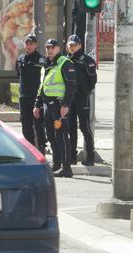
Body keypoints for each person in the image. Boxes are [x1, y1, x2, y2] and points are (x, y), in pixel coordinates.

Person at [34, 38, 78, 178]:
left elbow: (72, 87)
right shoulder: (46, 65)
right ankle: (57, 163)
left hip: (59, 106)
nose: (50, 50)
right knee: (51, 136)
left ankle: (67, 167)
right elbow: (42, 87)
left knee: (61, 135)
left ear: (59, 48)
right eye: (47, 47)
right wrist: (37, 105)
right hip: (47, 105)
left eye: (52, 47)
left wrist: (66, 105)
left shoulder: (65, 63)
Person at [66, 34, 97, 166]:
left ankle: (90, 156)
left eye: (74, 45)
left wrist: (84, 91)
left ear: (79, 45)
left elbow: (93, 80)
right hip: (69, 99)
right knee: (71, 128)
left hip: (82, 98)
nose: (72, 47)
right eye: (70, 45)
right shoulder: (65, 60)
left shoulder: (87, 60)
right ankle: (72, 156)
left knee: (84, 127)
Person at [15, 34, 47, 154]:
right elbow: (18, 75)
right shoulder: (20, 59)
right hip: (24, 97)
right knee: (25, 125)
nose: (28, 46)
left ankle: (41, 150)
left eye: (31, 44)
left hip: (36, 97)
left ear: (36, 45)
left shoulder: (41, 60)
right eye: (27, 44)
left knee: (38, 125)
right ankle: (30, 150)